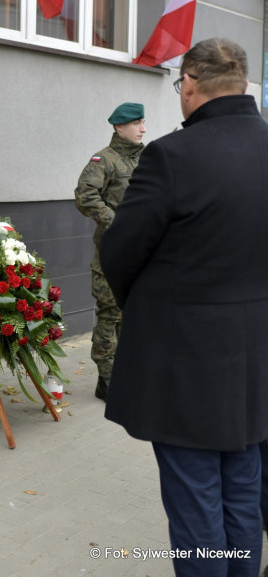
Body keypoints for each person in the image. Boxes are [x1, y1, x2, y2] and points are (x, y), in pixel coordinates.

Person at [100, 38, 268, 577]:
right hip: (257, 359)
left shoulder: (171, 155)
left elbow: (120, 253)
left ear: (189, 87)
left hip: (187, 363)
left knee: (196, 496)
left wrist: (151, 312)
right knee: (242, 484)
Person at [74, 102, 145, 401]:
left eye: (143, 123)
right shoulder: (104, 159)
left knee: (135, 313)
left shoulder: (147, 159)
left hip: (143, 251)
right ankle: (106, 378)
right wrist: (116, 222)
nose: (143, 128)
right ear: (119, 127)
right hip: (112, 251)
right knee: (110, 312)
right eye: (137, 123)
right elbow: (85, 196)